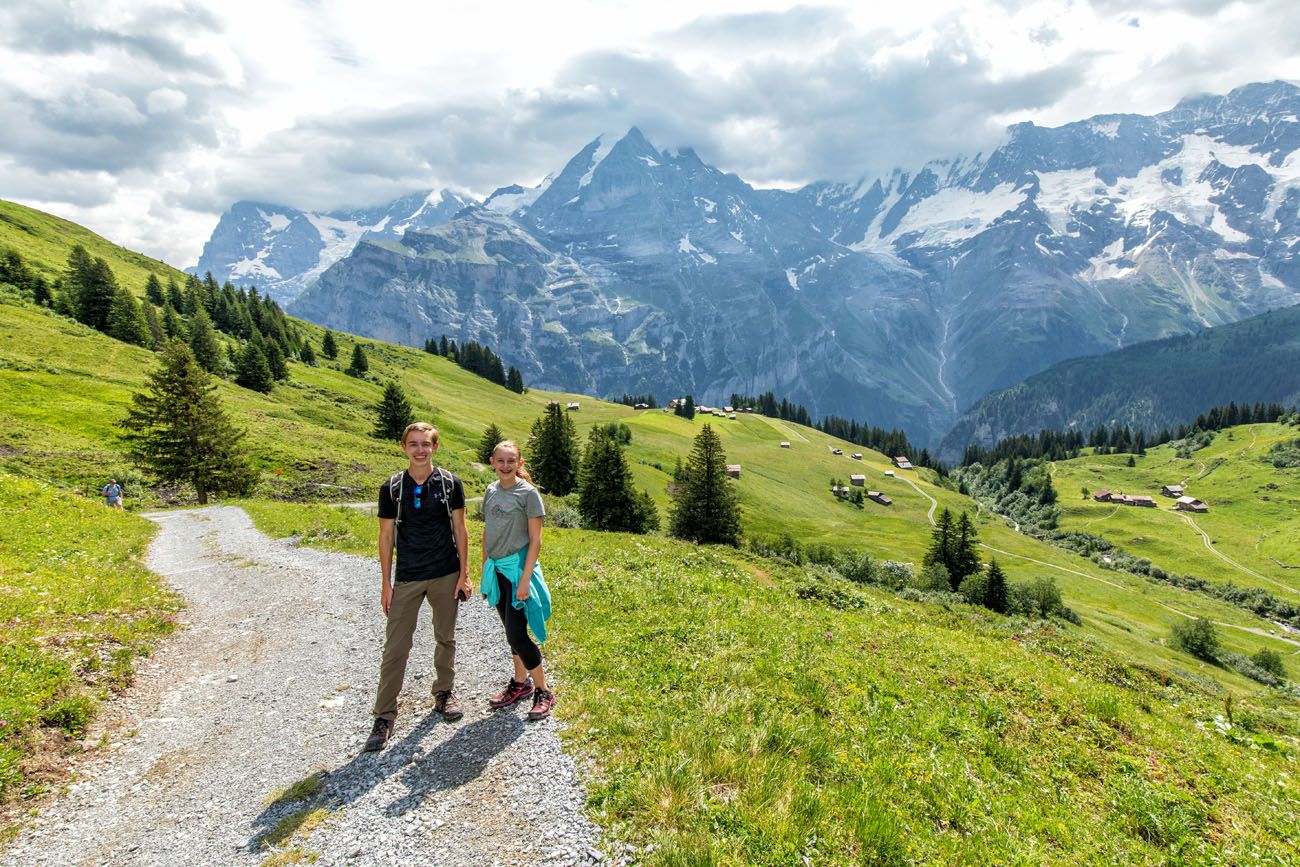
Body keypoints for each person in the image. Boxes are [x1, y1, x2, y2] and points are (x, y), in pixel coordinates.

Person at [364, 422, 471, 753]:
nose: (420, 450)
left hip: (444, 572)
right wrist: (385, 582)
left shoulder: (450, 483)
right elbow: (385, 537)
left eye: (426, 444)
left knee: (445, 637)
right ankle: (383, 716)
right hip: (407, 577)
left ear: (435, 447)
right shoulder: (392, 487)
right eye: (414, 444)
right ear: (403, 447)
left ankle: (444, 693)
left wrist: (464, 574)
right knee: (395, 648)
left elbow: (460, 529)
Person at [480, 440, 555, 721]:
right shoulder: (491, 491)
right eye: (501, 460)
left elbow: (536, 540)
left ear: (519, 463)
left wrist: (525, 579)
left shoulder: (528, 494)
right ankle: (520, 683)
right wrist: (485, 565)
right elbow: (489, 530)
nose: (506, 466)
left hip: (518, 571)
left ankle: (543, 691)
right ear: (492, 462)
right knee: (509, 629)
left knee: (516, 633)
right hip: (497, 569)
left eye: (511, 461)